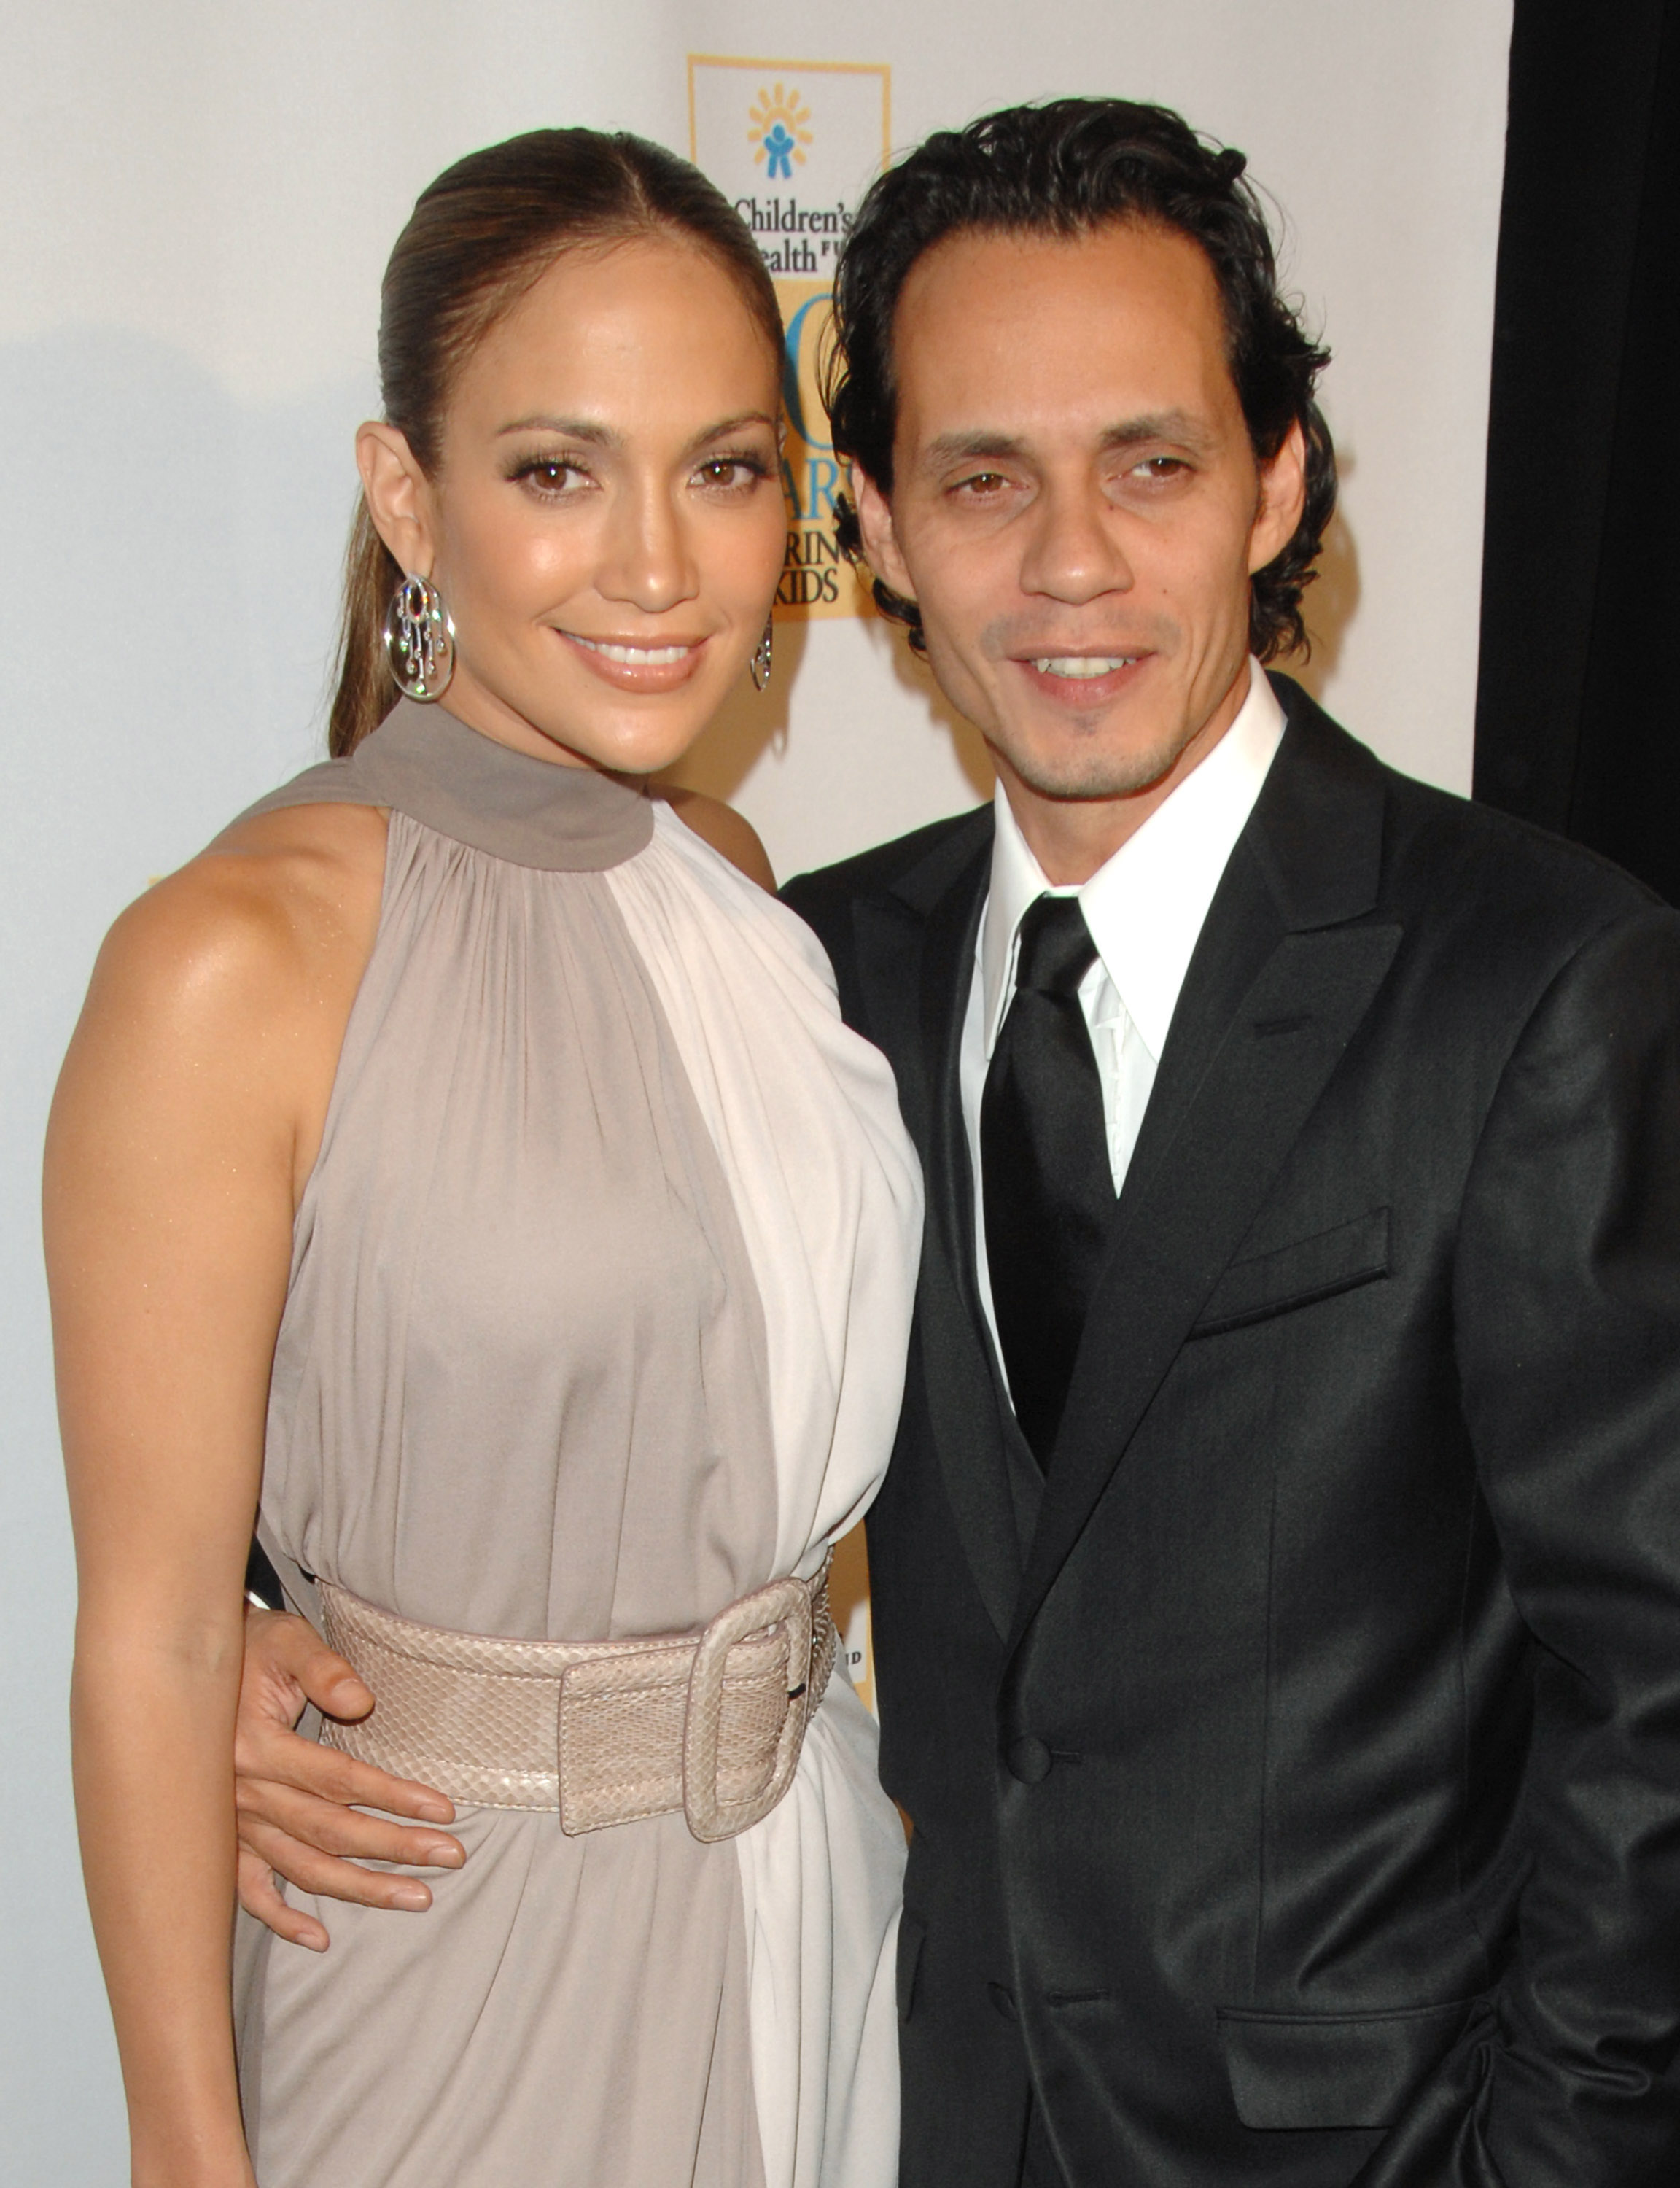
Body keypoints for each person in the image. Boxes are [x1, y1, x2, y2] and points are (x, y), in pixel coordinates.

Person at [233, 98, 1680, 2186]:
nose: (1070, 563)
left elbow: (1652, 1691)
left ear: (1275, 484)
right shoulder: (808, 974)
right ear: (881, 529)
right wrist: (253, 1645)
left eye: (1151, 465)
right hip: (903, 2107)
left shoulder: (1535, 981)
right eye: (984, 479)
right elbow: (501, 1354)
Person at [46, 128, 920, 2188]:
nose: (658, 563)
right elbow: (155, 1637)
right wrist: (186, 2150)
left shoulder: (734, 882)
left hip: (798, 1924)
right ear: (406, 497)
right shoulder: (231, 957)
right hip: (449, 1968)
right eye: (557, 471)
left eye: (722, 467)